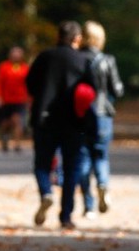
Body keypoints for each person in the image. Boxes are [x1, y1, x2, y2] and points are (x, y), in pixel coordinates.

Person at [24, 21, 90, 230]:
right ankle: (66, 216)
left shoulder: (44, 57)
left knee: (42, 164)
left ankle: (46, 192)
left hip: (45, 119)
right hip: (74, 121)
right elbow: (90, 90)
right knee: (72, 168)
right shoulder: (83, 60)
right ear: (77, 39)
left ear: (58, 36)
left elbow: (30, 84)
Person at [79, 21, 124, 219]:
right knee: (101, 155)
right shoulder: (107, 60)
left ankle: (88, 206)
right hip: (103, 114)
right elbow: (117, 89)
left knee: (82, 158)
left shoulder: (77, 59)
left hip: (80, 115)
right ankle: (103, 184)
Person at [0, 46, 31, 152]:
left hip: (20, 100)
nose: (16, 56)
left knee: (17, 121)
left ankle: (17, 144)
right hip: (6, 100)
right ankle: (4, 139)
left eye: (18, 53)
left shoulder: (25, 68)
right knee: (5, 123)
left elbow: (29, 85)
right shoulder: (4, 67)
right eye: (14, 53)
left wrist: (30, 100)